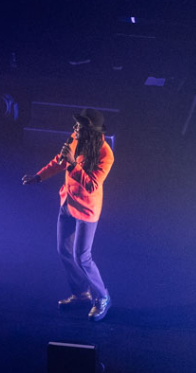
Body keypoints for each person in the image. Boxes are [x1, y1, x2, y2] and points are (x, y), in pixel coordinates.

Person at [21, 108, 115, 321]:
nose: (74, 128)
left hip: (87, 209)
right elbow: (60, 160)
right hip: (67, 202)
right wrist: (39, 176)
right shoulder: (75, 138)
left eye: (79, 126)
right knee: (64, 250)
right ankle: (81, 294)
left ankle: (103, 297)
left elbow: (92, 185)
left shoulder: (106, 154)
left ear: (90, 131)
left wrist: (73, 163)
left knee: (82, 257)